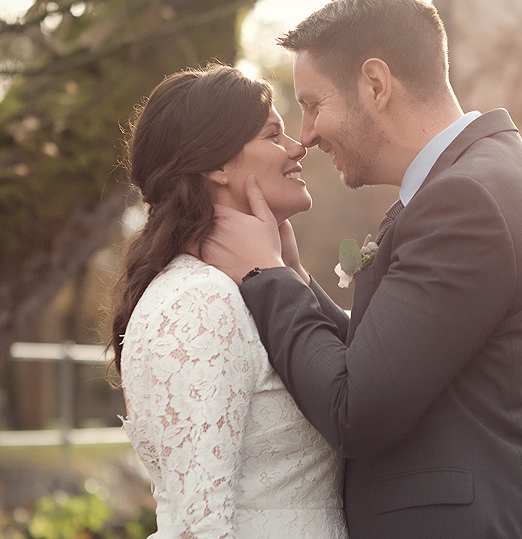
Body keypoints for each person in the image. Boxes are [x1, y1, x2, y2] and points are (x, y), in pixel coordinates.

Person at [201, 0, 522, 538]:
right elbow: (386, 361)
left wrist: (264, 278)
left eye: (313, 106)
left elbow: (355, 410)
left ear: (376, 85)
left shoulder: (466, 201)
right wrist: (296, 280)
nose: (305, 136)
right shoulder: (469, 184)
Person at [107, 65, 348, 538]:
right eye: (273, 135)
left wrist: (290, 274)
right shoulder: (202, 304)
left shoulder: (244, 290)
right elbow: (201, 526)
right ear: (216, 166)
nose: (298, 147)